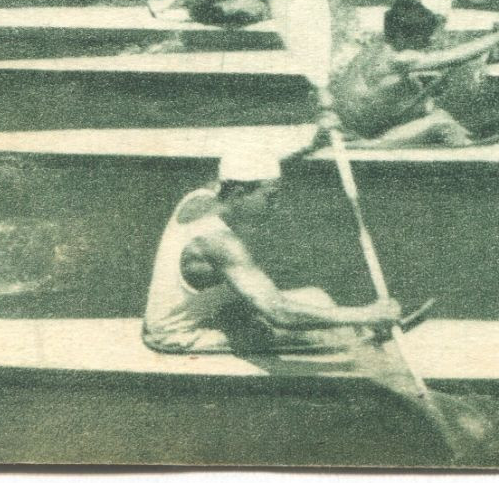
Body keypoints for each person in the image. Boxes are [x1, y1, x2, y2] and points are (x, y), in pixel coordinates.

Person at [141, 150, 401, 354]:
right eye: (270, 197)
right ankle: (364, 333)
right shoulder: (220, 243)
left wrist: (311, 146)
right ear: (241, 192)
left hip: (204, 311)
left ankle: (361, 330)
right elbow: (279, 313)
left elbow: (251, 170)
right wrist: (367, 313)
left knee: (316, 296)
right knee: (322, 334)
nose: (275, 205)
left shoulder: (201, 197)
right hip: (178, 336)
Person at [329, 0, 499, 149]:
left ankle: (464, 138)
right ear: (402, 36)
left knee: (423, 102)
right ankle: (472, 153)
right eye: (424, 38)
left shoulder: (373, 48)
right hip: (366, 142)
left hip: (344, 131)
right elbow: (456, 56)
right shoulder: (399, 59)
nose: (428, 43)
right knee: (440, 120)